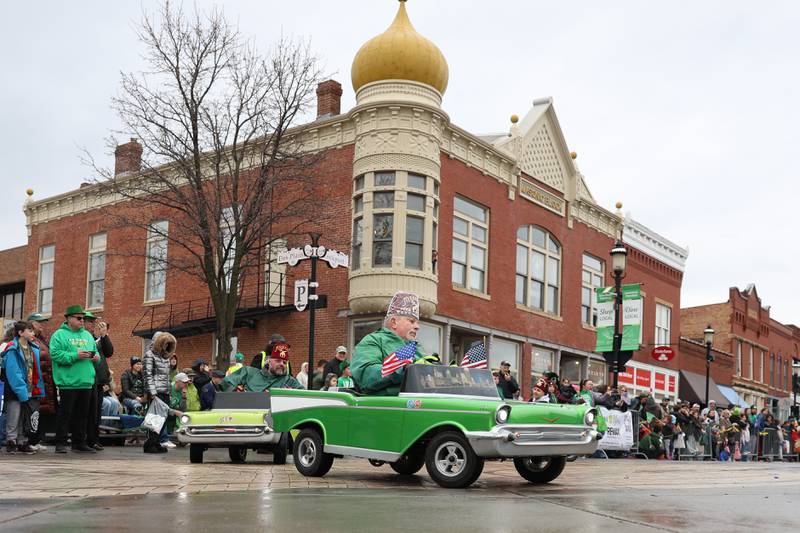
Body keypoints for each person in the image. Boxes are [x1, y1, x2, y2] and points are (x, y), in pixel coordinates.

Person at [351, 291, 427, 396]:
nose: (417, 326)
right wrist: (404, 370)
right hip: (384, 407)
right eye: (412, 321)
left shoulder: (416, 347)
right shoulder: (373, 341)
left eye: (417, 323)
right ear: (394, 322)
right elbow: (366, 376)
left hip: (418, 404)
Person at [50, 305, 99, 454]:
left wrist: (96, 358)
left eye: (83, 318)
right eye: (79, 318)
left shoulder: (88, 336)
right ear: (69, 318)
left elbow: (96, 354)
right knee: (65, 413)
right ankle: (61, 442)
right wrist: (75, 356)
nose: (82, 321)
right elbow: (56, 355)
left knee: (83, 415)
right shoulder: (59, 335)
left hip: (86, 381)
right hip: (68, 382)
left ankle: (79, 443)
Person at [2, 321, 44, 455]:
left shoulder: (33, 348)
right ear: (20, 333)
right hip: (15, 389)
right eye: (30, 330)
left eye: (33, 331)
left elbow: (35, 369)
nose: (33, 333)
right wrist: (22, 391)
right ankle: (11, 441)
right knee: (14, 415)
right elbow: (14, 373)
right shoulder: (12, 349)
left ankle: (22, 441)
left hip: (30, 387)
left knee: (24, 416)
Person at [83, 313, 115, 450]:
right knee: (87, 412)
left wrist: (104, 335)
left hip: (99, 380)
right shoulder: (83, 338)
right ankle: (84, 439)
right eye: (90, 321)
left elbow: (109, 352)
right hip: (87, 379)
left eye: (93, 322)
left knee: (96, 413)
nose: (92, 324)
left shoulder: (97, 339)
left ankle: (93, 439)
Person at [142, 331, 177, 453]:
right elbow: (147, 375)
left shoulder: (166, 358)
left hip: (165, 391)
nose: (166, 346)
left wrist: (169, 393)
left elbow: (167, 377)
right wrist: (152, 392)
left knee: (163, 419)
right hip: (155, 392)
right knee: (154, 419)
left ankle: (156, 443)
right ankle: (149, 444)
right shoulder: (149, 355)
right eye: (164, 343)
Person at [222, 341, 304, 391]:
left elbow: (305, 396)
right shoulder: (248, 372)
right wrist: (235, 392)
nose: (282, 364)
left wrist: (290, 396)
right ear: (268, 361)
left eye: (284, 362)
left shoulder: (290, 381)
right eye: (278, 361)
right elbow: (226, 383)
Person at [26, 313, 54, 451]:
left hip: (46, 380)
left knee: (42, 412)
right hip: (36, 381)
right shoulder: (30, 339)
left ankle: (37, 439)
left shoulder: (42, 340)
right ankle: (30, 440)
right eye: (39, 322)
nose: (42, 325)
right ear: (31, 323)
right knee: (34, 412)